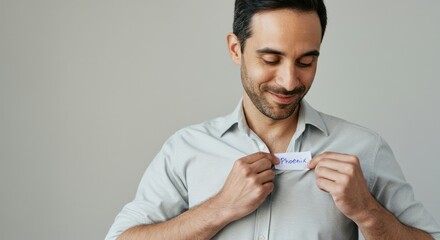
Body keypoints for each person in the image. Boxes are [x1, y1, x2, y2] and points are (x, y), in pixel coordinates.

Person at [106, 0, 440, 239]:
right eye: (271, 58)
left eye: (306, 62)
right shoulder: (185, 149)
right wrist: (220, 208)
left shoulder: (365, 149)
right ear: (236, 49)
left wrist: (367, 211)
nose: (290, 81)